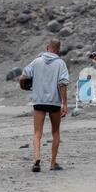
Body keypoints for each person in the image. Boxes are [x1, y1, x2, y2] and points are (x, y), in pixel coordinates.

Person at [20, 39, 69, 173]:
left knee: (37, 133)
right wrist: (65, 103)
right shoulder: (61, 64)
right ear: (58, 50)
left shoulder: (36, 61)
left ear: (47, 48)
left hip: (39, 101)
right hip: (54, 102)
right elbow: (63, 84)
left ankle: (37, 158)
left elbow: (23, 75)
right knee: (55, 132)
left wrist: (24, 86)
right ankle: (53, 163)